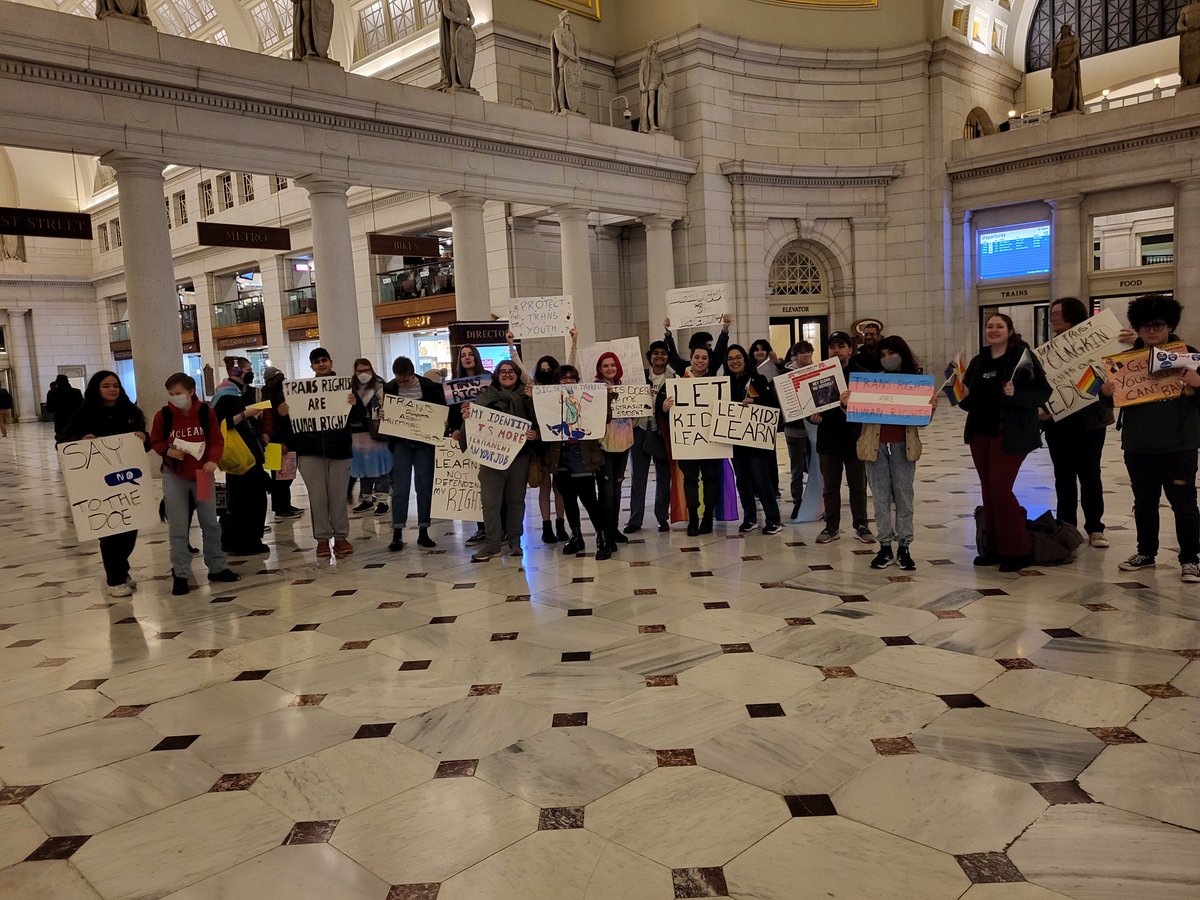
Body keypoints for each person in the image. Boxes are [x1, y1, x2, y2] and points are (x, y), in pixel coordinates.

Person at [1101, 295, 1200, 583]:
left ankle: (1191, 559)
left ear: (1169, 325)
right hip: (1138, 444)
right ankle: (1146, 552)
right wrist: (1105, 394)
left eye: (1157, 325)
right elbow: (1109, 401)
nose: (1152, 331)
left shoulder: (1189, 355)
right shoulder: (1126, 362)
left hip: (1179, 444)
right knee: (1144, 502)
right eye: (1145, 326)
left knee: (1184, 503)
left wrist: (1198, 383)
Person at [960, 314, 1053, 572]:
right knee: (988, 490)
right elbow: (968, 401)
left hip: (1010, 433)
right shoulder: (979, 361)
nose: (993, 330)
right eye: (989, 326)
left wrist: (1017, 394)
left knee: (1001, 489)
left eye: (999, 326)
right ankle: (994, 547)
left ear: (1010, 330)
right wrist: (962, 393)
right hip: (980, 434)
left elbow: (1042, 391)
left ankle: (1018, 549)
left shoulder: (1022, 357)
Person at [59, 371, 149, 597]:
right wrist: (81, 441)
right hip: (97, 484)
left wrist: (143, 438)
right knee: (109, 531)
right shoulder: (84, 413)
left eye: (115, 385)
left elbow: (143, 446)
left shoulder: (130, 412)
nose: (112, 389)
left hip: (127, 481)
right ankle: (114, 579)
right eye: (106, 385)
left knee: (129, 528)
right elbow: (63, 442)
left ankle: (122, 569)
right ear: (96, 389)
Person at [849, 336, 935, 571]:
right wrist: (846, 402)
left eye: (891, 353)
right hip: (875, 446)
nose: (887, 359)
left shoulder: (916, 382)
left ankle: (904, 546)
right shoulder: (871, 382)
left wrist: (930, 407)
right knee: (880, 498)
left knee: (904, 498)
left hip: (902, 446)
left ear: (902, 354)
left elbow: (923, 421)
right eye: (883, 354)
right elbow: (857, 411)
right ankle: (885, 545)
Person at [150, 373, 240, 596]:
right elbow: (156, 441)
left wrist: (212, 460)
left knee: (210, 522)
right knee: (178, 526)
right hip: (175, 475)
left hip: (202, 474)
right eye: (171, 394)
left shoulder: (205, 412)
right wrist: (167, 451)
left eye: (179, 393)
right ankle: (180, 572)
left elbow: (216, 439)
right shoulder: (164, 416)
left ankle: (217, 566)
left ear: (191, 392)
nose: (175, 398)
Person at [1040, 298, 1112, 549]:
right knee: (1063, 476)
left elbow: (1111, 371)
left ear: (1072, 314)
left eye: (1056, 313)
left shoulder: (1097, 343)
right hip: (1058, 423)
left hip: (1090, 421)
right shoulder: (1048, 350)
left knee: (1090, 474)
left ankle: (1095, 527)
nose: (1052, 318)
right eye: (1050, 314)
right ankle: (1066, 525)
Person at [507, 328, 575, 543]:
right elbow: (520, 368)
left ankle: (560, 524)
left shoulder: (562, 387)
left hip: (560, 441)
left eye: (549, 368)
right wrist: (511, 345)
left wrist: (574, 341)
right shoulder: (534, 386)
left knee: (561, 487)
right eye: (542, 368)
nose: (545, 371)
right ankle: (547, 526)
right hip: (541, 444)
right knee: (544, 485)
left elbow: (571, 367)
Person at [287, 347, 355, 559]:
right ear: (312, 366)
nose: (321, 364)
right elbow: (292, 420)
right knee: (317, 496)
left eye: (324, 360)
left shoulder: (346, 388)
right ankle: (322, 539)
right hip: (309, 450)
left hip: (339, 449)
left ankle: (341, 537)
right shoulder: (303, 391)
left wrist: (355, 404)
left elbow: (359, 416)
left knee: (337, 495)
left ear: (331, 362)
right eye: (317, 362)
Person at [468, 360, 539, 561]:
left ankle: (515, 542)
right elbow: (474, 421)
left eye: (511, 371)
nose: (507, 375)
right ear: (497, 375)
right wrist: (466, 416)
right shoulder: (485, 396)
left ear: (517, 374)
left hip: (520, 457)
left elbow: (539, 420)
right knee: (490, 502)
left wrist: (537, 433)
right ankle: (492, 545)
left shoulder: (526, 396)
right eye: (503, 372)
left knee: (516, 501)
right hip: (491, 459)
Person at [812, 331, 873, 545]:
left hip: (855, 439)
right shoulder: (819, 376)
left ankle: (861, 525)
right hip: (828, 440)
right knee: (830, 487)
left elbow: (868, 409)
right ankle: (831, 527)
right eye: (832, 347)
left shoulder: (862, 375)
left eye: (840, 346)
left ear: (850, 349)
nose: (836, 350)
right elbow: (812, 408)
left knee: (858, 486)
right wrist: (813, 418)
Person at [544, 364, 610, 558]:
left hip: (581, 453)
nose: (567, 382)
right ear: (557, 382)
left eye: (571, 379)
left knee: (589, 498)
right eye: (563, 379)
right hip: (559, 454)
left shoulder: (583, 397)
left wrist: (606, 396)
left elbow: (604, 417)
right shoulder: (549, 401)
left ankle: (602, 537)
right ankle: (576, 536)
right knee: (568, 498)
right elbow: (539, 418)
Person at [383, 356, 445, 552]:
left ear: (413, 374)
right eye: (399, 380)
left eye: (406, 380)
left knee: (424, 487)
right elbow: (385, 411)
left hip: (424, 443)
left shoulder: (429, 387)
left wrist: (441, 424)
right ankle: (397, 532)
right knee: (400, 488)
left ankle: (424, 530)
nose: (402, 384)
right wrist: (383, 414)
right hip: (401, 443)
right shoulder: (391, 387)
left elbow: (442, 410)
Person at [659, 344, 723, 536]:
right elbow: (661, 413)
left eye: (704, 358)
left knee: (711, 479)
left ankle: (708, 516)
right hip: (687, 441)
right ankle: (693, 518)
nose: (700, 361)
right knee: (690, 480)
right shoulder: (677, 382)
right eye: (697, 357)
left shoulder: (717, 383)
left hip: (711, 442)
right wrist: (664, 408)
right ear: (691, 358)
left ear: (709, 361)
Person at [213, 356, 269, 556]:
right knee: (242, 501)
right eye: (247, 369)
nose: (250, 372)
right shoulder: (225, 395)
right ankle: (239, 539)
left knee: (254, 498)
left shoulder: (243, 392)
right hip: (238, 455)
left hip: (252, 453)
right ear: (236, 372)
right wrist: (245, 414)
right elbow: (222, 424)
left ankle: (251, 537)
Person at [725, 344, 782, 535]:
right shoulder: (724, 384)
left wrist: (755, 402)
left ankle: (773, 519)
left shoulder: (758, 379)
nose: (735, 361)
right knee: (742, 480)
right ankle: (750, 518)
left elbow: (772, 405)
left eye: (738, 357)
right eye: (731, 358)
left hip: (755, 440)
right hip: (735, 440)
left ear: (745, 358)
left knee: (760, 479)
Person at [625, 340, 672, 534]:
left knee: (663, 478)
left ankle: (662, 517)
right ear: (650, 356)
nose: (659, 356)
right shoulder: (639, 377)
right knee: (638, 477)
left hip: (662, 434)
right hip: (640, 431)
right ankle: (635, 519)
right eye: (655, 353)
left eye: (663, 353)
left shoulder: (673, 379)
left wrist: (665, 409)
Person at [447, 343, 490, 545]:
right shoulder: (454, 384)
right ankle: (482, 528)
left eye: (470, 354)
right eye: (463, 355)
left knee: (492, 484)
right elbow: (452, 413)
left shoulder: (488, 379)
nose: (467, 357)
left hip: (488, 436)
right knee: (475, 485)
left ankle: (501, 527)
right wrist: (454, 429)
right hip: (466, 437)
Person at [596, 351, 635, 550]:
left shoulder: (625, 388)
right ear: (600, 369)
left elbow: (634, 417)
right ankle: (605, 532)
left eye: (612, 365)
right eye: (605, 366)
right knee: (606, 490)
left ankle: (614, 528)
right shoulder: (595, 390)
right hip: (603, 445)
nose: (609, 368)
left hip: (624, 443)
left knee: (618, 489)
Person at [349, 358, 392, 517]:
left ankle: (382, 500)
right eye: (360, 371)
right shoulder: (349, 387)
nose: (363, 374)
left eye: (367, 370)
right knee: (363, 467)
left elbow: (389, 404)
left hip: (377, 431)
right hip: (357, 432)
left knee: (380, 467)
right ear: (355, 372)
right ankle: (366, 499)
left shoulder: (380, 385)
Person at [261, 366, 303, 519]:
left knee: (287, 473)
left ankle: (285, 504)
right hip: (277, 441)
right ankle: (281, 508)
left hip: (288, 438)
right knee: (280, 475)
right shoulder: (266, 396)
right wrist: (279, 441)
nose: (281, 381)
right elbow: (271, 421)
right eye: (278, 379)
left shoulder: (280, 394)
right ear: (270, 381)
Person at [784, 340, 814, 519]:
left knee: (816, 467)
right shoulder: (786, 374)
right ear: (795, 356)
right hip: (794, 427)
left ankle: (816, 499)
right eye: (803, 354)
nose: (806, 357)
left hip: (814, 427)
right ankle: (797, 501)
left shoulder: (817, 370)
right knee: (797, 467)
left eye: (809, 354)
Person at [664, 315, 730, 376]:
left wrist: (725, 331)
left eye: (704, 358)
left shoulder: (711, 367)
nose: (711, 350)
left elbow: (720, 352)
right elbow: (672, 357)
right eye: (708, 346)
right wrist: (668, 335)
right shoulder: (683, 368)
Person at [551, 10, 582, 115]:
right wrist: (571, 56)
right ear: (563, 19)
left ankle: (574, 106)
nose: (569, 19)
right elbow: (559, 46)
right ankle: (562, 106)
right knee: (562, 81)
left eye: (569, 17)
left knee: (574, 85)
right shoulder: (558, 31)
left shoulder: (572, 35)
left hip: (573, 63)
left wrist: (576, 58)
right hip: (563, 60)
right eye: (567, 17)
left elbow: (576, 48)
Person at [1051, 23, 1083, 116]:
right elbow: (1054, 58)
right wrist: (1053, 70)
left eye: (1066, 28)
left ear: (1069, 29)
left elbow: (1075, 52)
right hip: (1059, 69)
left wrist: (1068, 62)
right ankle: (1057, 108)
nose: (1064, 30)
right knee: (1057, 90)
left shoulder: (1074, 39)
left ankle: (1074, 106)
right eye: (1063, 28)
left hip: (1070, 67)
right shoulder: (1058, 44)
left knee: (1072, 86)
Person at [638, 40, 668, 133]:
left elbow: (664, 73)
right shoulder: (646, 59)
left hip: (659, 84)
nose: (656, 47)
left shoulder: (660, 60)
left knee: (660, 104)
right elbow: (641, 73)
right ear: (651, 47)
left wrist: (665, 81)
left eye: (657, 45)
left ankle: (658, 123)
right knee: (652, 102)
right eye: (655, 45)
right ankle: (651, 124)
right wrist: (642, 84)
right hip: (650, 83)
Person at [46, 374, 83, 442]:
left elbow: (49, 409)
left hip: (60, 424)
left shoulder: (52, 393)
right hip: (75, 423)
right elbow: (82, 408)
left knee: (63, 447)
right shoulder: (76, 392)